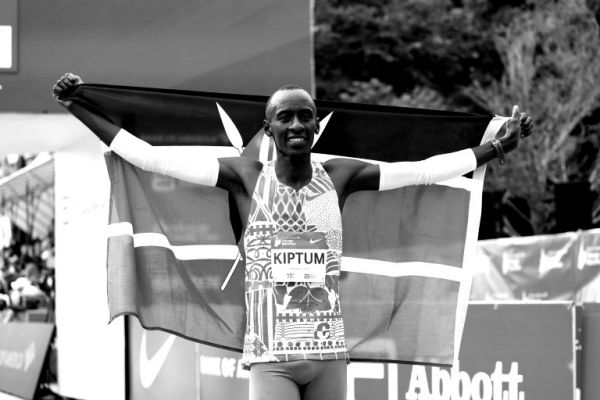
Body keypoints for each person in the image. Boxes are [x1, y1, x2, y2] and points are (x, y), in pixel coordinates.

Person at [53, 73, 533, 400]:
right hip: (271, 359)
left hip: (329, 355)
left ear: (316, 124)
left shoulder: (340, 176)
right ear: (269, 128)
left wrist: (496, 147)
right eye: (285, 117)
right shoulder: (244, 177)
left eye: (306, 115)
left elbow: (422, 171)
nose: (298, 123)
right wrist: (79, 108)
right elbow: (151, 158)